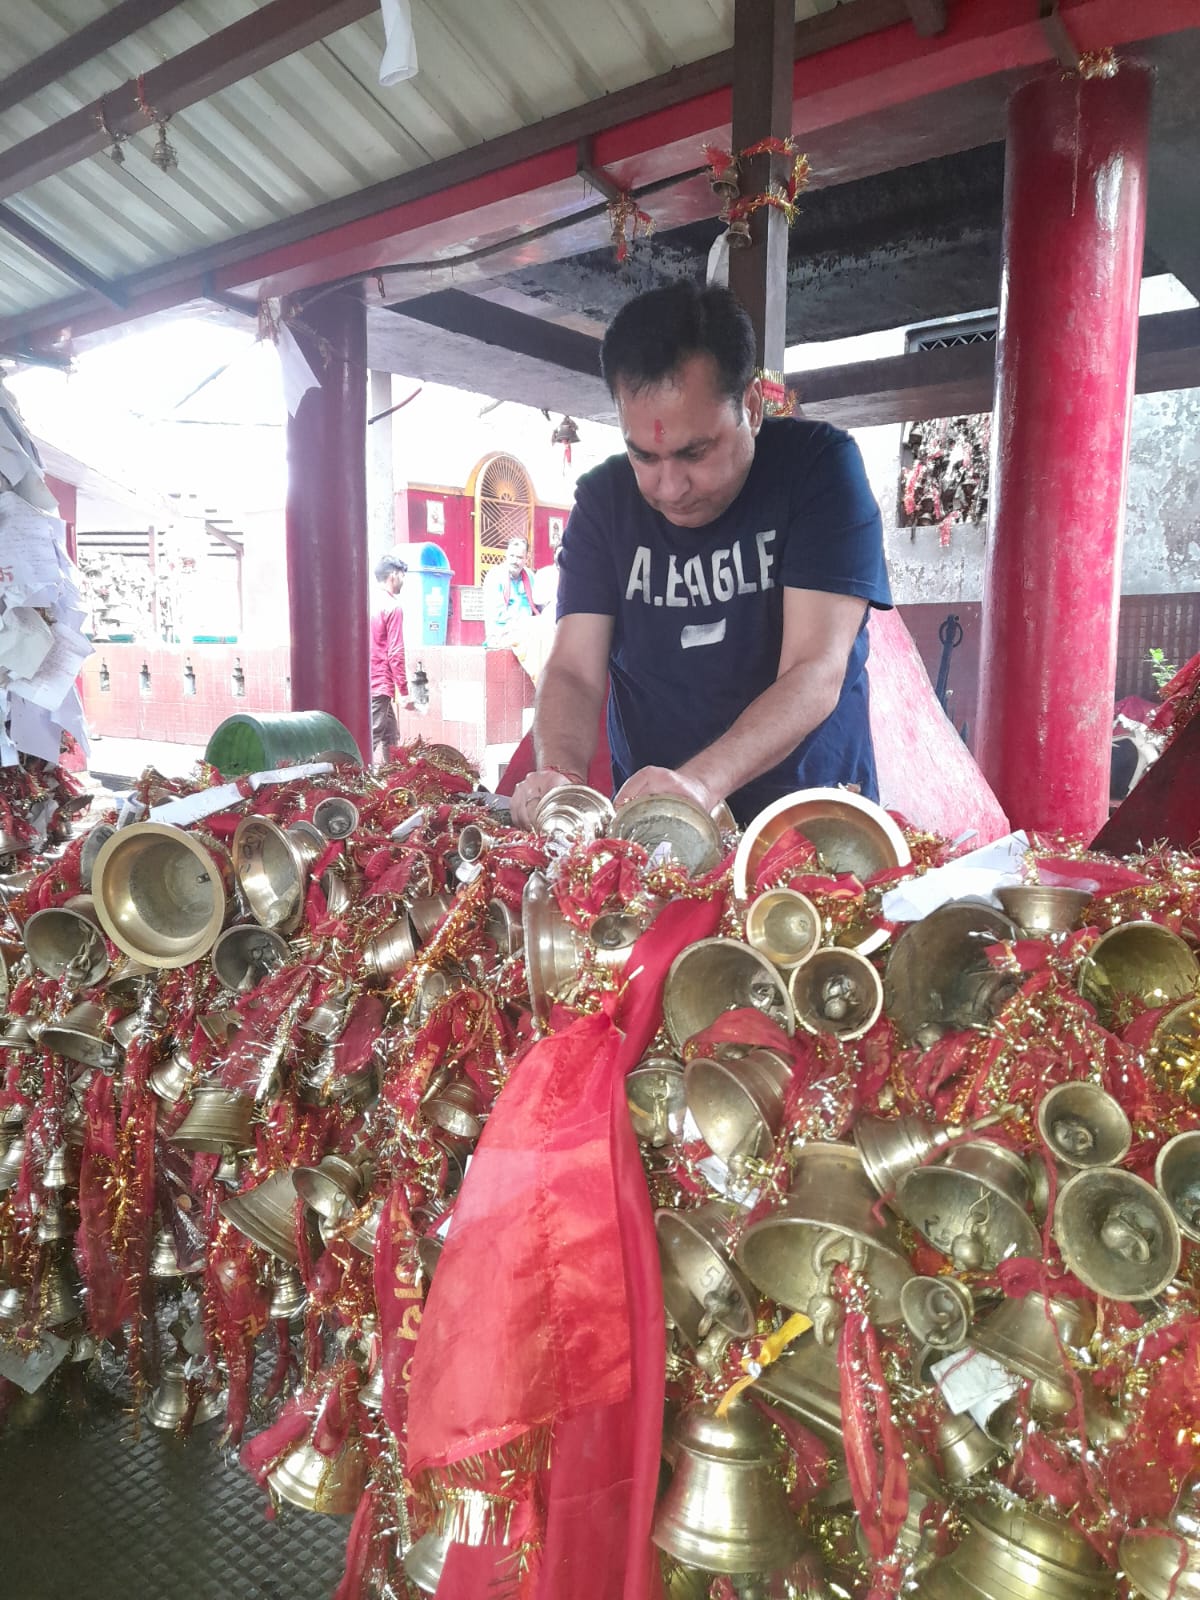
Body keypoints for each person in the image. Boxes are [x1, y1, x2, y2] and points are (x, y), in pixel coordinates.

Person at [511, 281, 892, 829]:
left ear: (753, 409)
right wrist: (563, 784)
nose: (669, 487)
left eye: (695, 452)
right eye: (644, 455)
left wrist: (700, 783)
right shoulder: (604, 501)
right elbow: (573, 668)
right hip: (659, 831)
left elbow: (815, 670)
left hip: (808, 824)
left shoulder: (819, 471)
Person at [370, 553, 412, 762]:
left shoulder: (368, 602)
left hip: (368, 681)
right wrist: (403, 691)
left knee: (390, 735)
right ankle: (355, 783)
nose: (403, 581)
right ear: (394, 575)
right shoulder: (392, 607)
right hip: (380, 682)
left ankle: (393, 782)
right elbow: (395, 652)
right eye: (403, 576)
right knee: (372, 736)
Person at [482, 535, 537, 649]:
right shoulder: (495, 576)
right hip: (501, 633)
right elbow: (498, 615)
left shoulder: (530, 576)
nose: (514, 561)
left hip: (526, 632)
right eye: (511, 556)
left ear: (526, 558)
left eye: (519, 557)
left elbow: (538, 606)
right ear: (506, 555)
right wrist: (524, 626)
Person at [531, 521, 564, 613]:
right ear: (554, 554)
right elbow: (537, 600)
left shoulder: (573, 576)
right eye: (559, 553)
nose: (561, 557)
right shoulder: (543, 573)